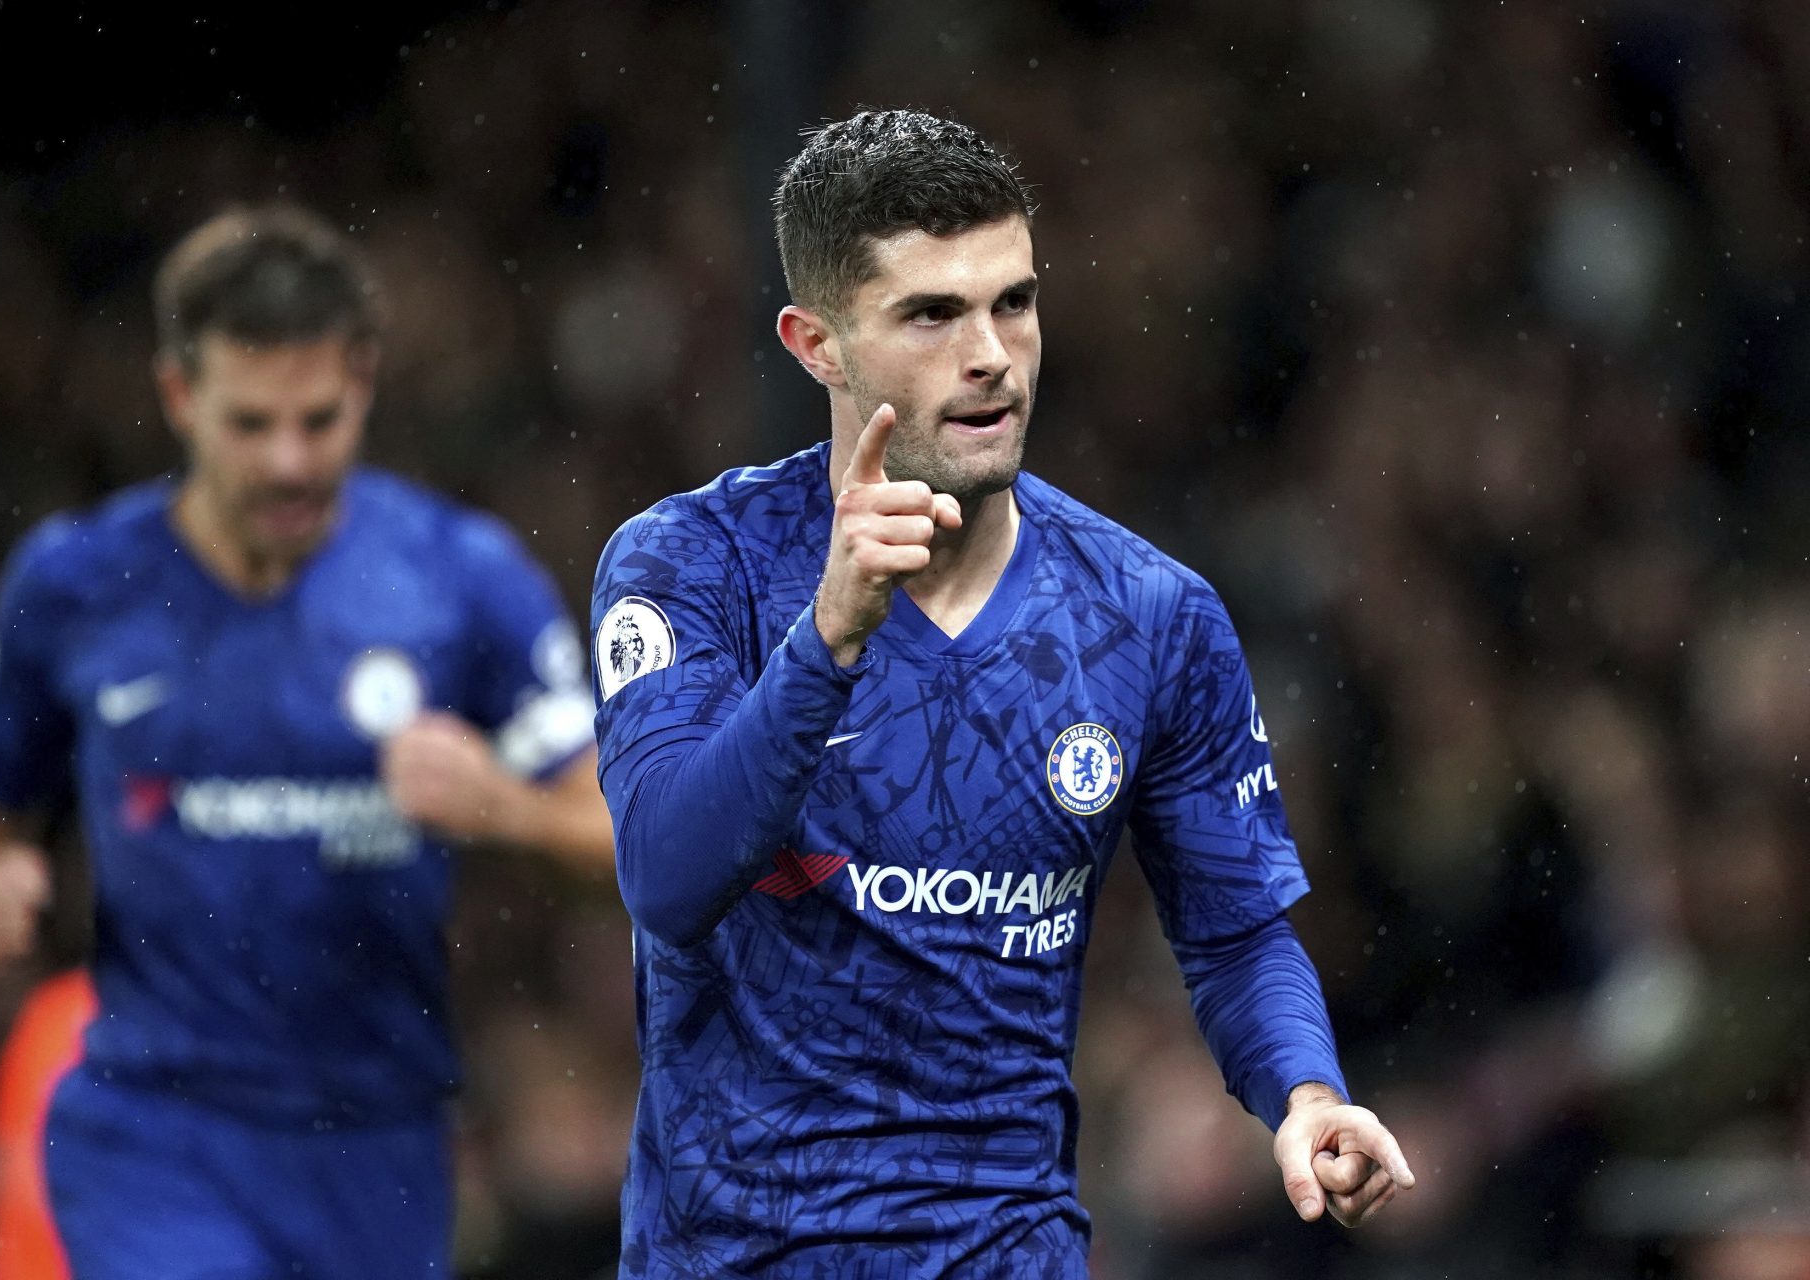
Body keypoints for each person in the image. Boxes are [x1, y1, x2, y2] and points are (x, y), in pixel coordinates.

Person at [590, 109, 1415, 1276]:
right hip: (729, 1256)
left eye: (1013, 302)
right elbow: (667, 878)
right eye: (932, 313)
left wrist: (1305, 1088)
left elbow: (1234, 935)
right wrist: (827, 644)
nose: (991, 353)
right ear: (816, 343)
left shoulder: (1150, 613)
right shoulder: (690, 566)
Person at [0, 204, 613, 1280]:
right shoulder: (73, 584)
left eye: (320, 419)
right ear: (178, 396)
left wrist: (504, 808)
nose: (289, 460)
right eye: (251, 424)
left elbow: (624, 847)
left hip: (377, 1143)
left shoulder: (462, 579)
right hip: (155, 1129)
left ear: (366, 382)